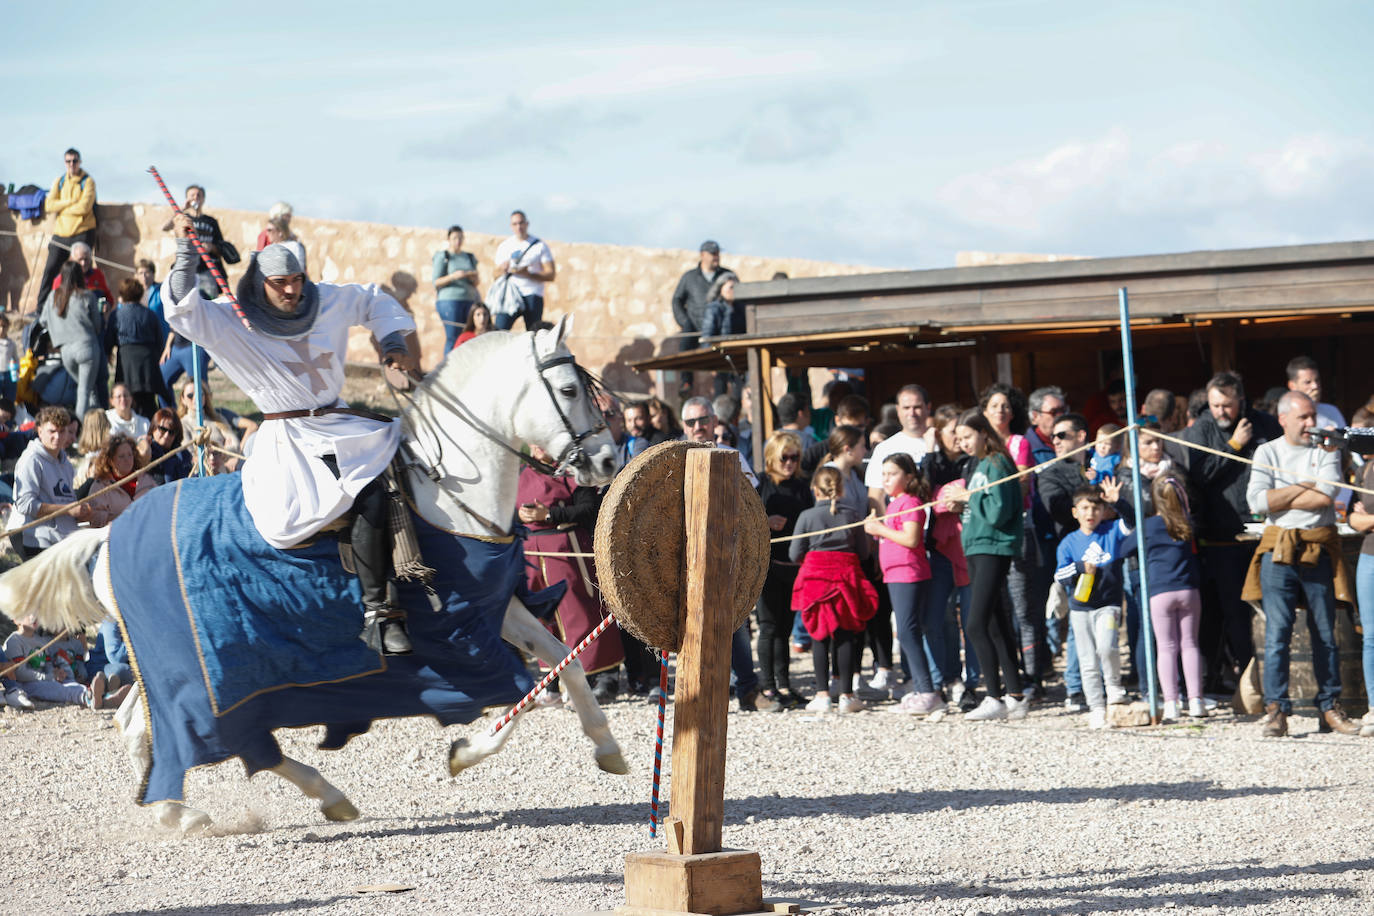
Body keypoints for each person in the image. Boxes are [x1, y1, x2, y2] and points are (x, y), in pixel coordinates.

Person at [165, 214, 419, 655]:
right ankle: (380, 613)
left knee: (415, 460)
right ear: (261, 280)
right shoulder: (231, 321)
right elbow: (182, 310)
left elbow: (374, 300)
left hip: (339, 420)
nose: (291, 290)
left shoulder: (328, 301)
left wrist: (392, 345)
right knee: (369, 492)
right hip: (291, 436)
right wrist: (186, 251)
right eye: (280, 282)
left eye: (297, 280)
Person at [1242, 390, 1359, 737]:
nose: (1311, 423)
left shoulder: (1326, 451)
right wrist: (1304, 485)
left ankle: (1329, 707)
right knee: (1278, 633)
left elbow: (1326, 494)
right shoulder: (1267, 451)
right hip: (1279, 550)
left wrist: (1288, 494)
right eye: (1303, 417)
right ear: (1283, 419)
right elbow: (1258, 501)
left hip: (1316, 548)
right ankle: (1277, 709)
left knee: (1325, 633)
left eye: (1312, 416)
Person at [1181, 371, 1282, 694]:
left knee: (1270, 608)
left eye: (1227, 405)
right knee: (1233, 612)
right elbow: (1198, 476)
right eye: (1215, 405)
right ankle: (1247, 683)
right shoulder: (1202, 428)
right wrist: (1234, 445)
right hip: (1222, 538)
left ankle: (1273, 678)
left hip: (1264, 533)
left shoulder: (1265, 424)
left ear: (1241, 400)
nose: (1220, 411)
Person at [517, 447, 623, 705]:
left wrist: (550, 515)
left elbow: (588, 509)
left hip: (569, 552)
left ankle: (600, 680)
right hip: (533, 554)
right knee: (543, 619)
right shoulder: (523, 474)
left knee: (582, 615)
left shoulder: (575, 471)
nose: (536, 448)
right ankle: (552, 684)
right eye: (533, 442)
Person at [941, 410, 1027, 721]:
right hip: (976, 546)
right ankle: (1015, 694)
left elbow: (998, 510)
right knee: (994, 622)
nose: (962, 443)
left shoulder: (997, 463)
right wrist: (963, 503)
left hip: (994, 546)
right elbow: (982, 503)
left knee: (974, 623)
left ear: (983, 433)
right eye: (958, 439)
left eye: (967, 436)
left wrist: (969, 498)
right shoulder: (977, 465)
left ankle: (993, 696)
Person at [791, 466, 877, 713]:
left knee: (819, 634)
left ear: (814, 489)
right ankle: (847, 695)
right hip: (846, 576)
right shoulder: (852, 514)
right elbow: (862, 552)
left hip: (816, 577)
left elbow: (794, 552)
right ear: (841, 489)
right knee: (846, 633)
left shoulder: (807, 516)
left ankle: (822, 695)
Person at [1120, 473, 1206, 721]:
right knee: (1190, 644)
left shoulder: (1148, 525)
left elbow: (1124, 549)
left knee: (1166, 648)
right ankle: (1196, 700)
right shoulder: (1187, 523)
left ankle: (1171, 703)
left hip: (1160, 592)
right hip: (1189, 590)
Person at [864, 453, 943, 716]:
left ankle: (927, 690)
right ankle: (922, 688)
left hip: (908, 573)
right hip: (895, 573)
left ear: (908, 477)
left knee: (908, 632)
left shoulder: (911, 502)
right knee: (908, 632)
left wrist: (878, 530)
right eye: (883, 474)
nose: (886, 479)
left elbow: (911, 539)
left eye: (892, 473)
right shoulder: (894, 502)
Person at [1054, 482, 1131, 729]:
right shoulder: (1068, 542)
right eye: (1085, 508)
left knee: (1107, 647)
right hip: (1080, 608)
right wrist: (1079, 567)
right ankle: (1096, 706)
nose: (1091, 514)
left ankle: (1114, 687)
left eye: (1096, 508)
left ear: (1104, 511)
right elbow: (1059, 575)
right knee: (1087, 660)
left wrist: (1118, 503)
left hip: (1108, 605)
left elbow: (1131, 523)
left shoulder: (1111, 531)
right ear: (1075, 511)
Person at [754, 431, 813, 708]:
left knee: (786, 630)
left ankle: (785, 685)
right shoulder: (761, 484)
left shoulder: (803, 485)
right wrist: (765, 521)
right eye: (784, 457)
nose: (789, 463)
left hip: (794, 567)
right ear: (771, 458)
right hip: (769, 567)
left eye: (794, 457)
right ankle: (768, 687)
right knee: (768, 627)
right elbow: (746, 520)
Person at [10, 406, 90, 557]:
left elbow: (65, 501)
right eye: (52, 431)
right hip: (33, 538)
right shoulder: (31, 459)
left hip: (61, 538)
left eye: (62, 431)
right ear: (40, 431)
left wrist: (81, 513)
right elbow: (24, 504)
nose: (57, 437)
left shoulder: (66, 464)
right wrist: (67, 509)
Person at [41, 261, 104, 417]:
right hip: (86, 347)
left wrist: (58, 329)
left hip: (65, 350)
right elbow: (97, 325)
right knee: (84, 390)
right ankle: (81, 431)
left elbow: (43, 321)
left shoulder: (52, 297)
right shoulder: (86, 295)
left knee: (88, 390)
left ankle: (97, 425)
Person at [37, 149, 98, 300]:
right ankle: (42, 306)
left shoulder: (88, 181)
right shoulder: (60, 181)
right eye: (68, 161)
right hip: (61, 233)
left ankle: (82, 302)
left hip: (81, 232)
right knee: (50, 269)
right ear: (65, 163)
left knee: (81, 270)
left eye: (75, 161)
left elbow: (84, 207)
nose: (72, 164)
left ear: (80, 162)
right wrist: (71, 202)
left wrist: (62, 208)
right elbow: (49, 205)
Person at [3, 615, 100, 708]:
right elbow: (20, 674)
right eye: (28, 614)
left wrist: (56, 673)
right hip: (26, 684)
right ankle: (86, 698)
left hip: (45, 679)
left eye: (36, 613)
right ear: (16, 619)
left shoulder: (41, 641)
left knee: (69, 682)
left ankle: (95, 694)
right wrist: (47, 677)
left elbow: (48, 664)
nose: (34, 617)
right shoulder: (14, 641)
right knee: (55, 688)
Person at [162, 185, 238, 299]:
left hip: (207, 270)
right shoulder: (182, 219)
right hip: (187, 268)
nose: (196, 197)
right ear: (187, 198)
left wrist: (211, 247)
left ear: (203, 199)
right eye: (192, 195)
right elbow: (165, 227)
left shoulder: (211, 222)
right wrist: (183, 208)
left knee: (208, 302)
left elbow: (220, 246)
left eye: (199, 195)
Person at [106, 280, 167, 419]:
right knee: (149, 402)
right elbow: (159, 341)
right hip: (147, 363)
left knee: (125, 398)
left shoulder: (117, 315)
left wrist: (108, 353)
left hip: (127, 362)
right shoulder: (150, 314)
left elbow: (109, 340)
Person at [1345, 459, 1374, 737]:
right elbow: (1353, 518)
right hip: (1369, 557)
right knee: (1371, 636)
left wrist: (1369, 519)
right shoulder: (1367, 468)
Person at [866, 385, 931, 506]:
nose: (911, 413)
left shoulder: (941, 443)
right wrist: (885, 524)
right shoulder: (884, 448)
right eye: (906, 408)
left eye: (917, 407)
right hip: (897, 523)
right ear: (898, 410)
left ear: (928, 408)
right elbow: (876, 496)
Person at [492, 210, 555, 331]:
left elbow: (550, 274)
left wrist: (528, 274)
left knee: (533, 334)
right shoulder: (505, 246)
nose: (519, 227)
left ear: (527, 223)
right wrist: (503, 269)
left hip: (532, 294)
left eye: (521, 223)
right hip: (510, 295)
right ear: (511, 226)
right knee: (498, 332)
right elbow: (494, 275)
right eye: (515, 224)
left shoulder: (539, 246)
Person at [80, 433, 155, 527]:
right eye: (121, 456)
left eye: (130, 455)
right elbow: (95, 518)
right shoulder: (101, 486)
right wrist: (125, 517)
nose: (127, 459)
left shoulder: (146, 480)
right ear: (110, 460)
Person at [670, 240, 728, 354]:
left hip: (720, 328)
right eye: (713, 254)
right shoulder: (689, 277)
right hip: (694, 327)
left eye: (717, 253)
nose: (716, 257)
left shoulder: (726, 276)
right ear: (702, 255)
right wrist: (685, 322)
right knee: (685, 357)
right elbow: (677, 300)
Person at [432, 225, 480, 353]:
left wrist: (470, 276)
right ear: (449, 239)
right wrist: (453, 276)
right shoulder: (444, 256)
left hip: (469, 300)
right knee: (453, 337)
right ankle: (447, 369)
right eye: (454, 238)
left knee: (468, 337)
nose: (457, 241)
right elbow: (436, 281)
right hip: (450, 301)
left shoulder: (469, 257)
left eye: (460, 238)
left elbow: (477, 282)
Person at [1285, 355, 1344, 431]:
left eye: (1317, 380)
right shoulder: (1285, 414)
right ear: (1292, 386)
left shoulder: (1332, 411)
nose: (1315, 386)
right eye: (1307, 382)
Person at [139, 408, 192, 484]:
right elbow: (142, 454)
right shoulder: (147, 451)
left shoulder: (184, 455)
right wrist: (144, 443)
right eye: (162, 429)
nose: (166, 435)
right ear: (153, 427)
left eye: (172, 432)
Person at [618, 400, 668, 465]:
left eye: (638, 418)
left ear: (648, 418)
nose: (633, 425)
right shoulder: (622, 442)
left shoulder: (660, 442)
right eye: (629, 420)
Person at [701, 271, 741, 338]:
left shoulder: (741, 308)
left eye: (736, 287)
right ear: (720, 289)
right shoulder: (713, 309)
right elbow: (707, 336)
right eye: (731, 287)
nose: (734, 291)